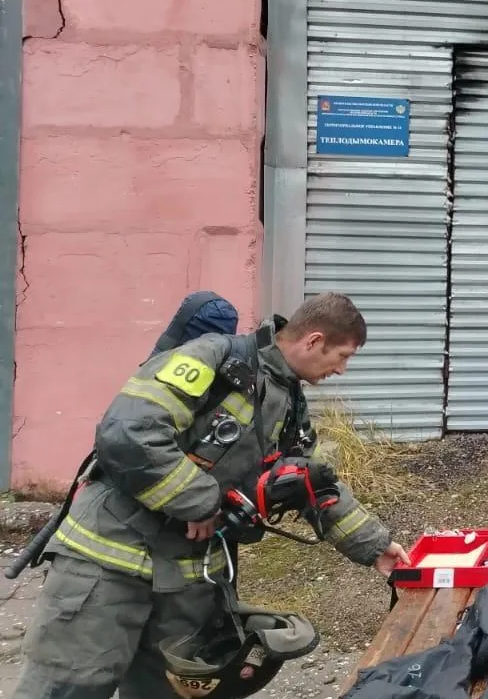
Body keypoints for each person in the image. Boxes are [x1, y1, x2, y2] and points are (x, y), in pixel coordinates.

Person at [13, 292, 411, 699]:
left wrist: (375, 545)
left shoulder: (287, 402)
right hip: (108, 563)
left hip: (188, 581)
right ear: (312, 341)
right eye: (341, 356)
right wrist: (199, 500)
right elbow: (129, 433)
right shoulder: (212, 359)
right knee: (65, 688)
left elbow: (312, 484)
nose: (342, 370)